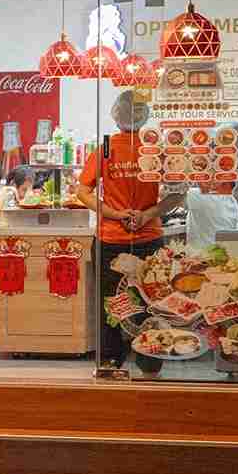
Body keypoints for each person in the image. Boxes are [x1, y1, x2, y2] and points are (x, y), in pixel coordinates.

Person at [76, 91, 184, 369]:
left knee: (112, 302)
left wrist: (115, 213)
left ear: (116, 114)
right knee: (153, 300)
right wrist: (148, 214)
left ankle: (111, 361)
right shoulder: (156, 147)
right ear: (146, 115)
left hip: (111, 237)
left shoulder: (107, 146)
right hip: (149, 237)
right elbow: (177, 195)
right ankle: (150, 363)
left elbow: (83, 192)